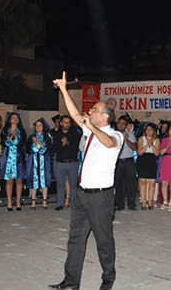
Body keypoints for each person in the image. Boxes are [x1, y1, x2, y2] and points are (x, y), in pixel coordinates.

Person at [49, 71, 123, 290]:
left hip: (101, 197)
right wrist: (63, 88)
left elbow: (109, 143)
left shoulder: (115, 135)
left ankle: (108, 278)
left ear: (105, 117)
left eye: (94, 110)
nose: (90, 111)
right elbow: (73, 114)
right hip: (82, 194)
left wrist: (90, 127)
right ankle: (71, 281)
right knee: (75, 239)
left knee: (104, 241)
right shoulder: (89, 130)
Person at [51, 115, 81, 211]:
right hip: (60, 163)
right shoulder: (56, 135)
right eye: (65, 122)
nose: (67, 124)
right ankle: (60, 203)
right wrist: (63, 144)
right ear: (61, 123)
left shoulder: (74, 134)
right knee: (60, 184)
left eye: (68, 122)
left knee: (73, 185)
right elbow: (55, 148)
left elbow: (75, 148)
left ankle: (73, 204)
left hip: (72, 162)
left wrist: (66, 143)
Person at [0, 112, 28, 211]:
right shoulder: (4, 131)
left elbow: (23, 143)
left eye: (17, 118)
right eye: (13, 117)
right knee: (9, 180)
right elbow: (2, 142)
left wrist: (16, 138)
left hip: (19, 158)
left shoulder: (22, 131)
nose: (15, 119)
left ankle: (18, 202)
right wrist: (10, 138)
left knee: (19, 180)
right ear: (10, 120)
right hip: (8, 158)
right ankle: (9, 202)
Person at [26, 118, 53, 210]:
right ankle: (33, 202)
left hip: (44, 162)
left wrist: (40, 144)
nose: (38, 127)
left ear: (43, 127)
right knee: (33, 181)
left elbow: (48, 150)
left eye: (40, 125)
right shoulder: (31, 137)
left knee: (44, 180)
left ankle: (44, 202)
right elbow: (28, 149)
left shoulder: (47, 138)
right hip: (33, 162)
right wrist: (38, 145)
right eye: (36, 125)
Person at [114, 116, 138, 211]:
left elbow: (135, 148)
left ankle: (131, 204)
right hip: (118, 161)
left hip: (129, 161)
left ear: (126, 125)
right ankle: (120, 204)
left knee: (131, 183)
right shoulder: (113, 135)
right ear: (117, 124)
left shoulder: (130, 135)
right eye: (120, 123)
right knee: (118, 183)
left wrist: (127, 140)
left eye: (124, 124)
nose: (121, 125)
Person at [136, 123, 160, 210]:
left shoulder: (156, 140)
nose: (149, 131)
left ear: (153, 131)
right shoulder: (141, 139)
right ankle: (143, 202)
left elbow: (157, 153)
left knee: (152, 182)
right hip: (143, 160)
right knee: (142, 181)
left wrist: (152, 144)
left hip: (152, 160)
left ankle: (150, 202)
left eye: (150, 129)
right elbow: (139, 152)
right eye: (147, 129)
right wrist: (147, 144)